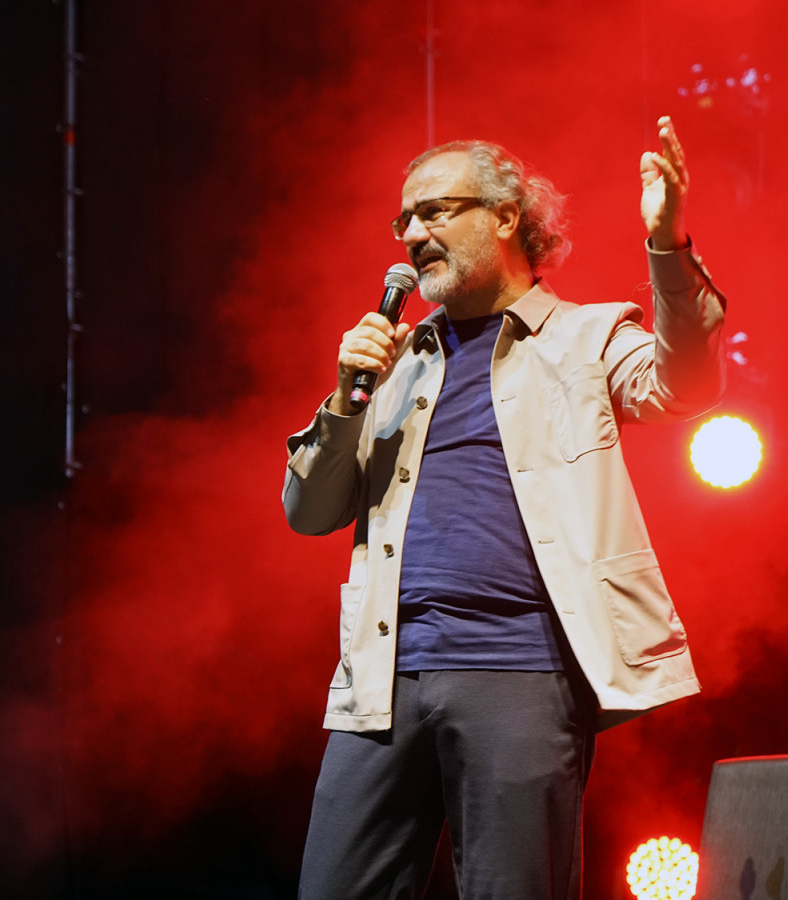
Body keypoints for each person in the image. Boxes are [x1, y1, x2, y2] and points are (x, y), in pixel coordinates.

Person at [283, 116, 727, 900]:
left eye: (434, 212)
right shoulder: (397, 362)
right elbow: (308, 512)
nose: (412, 235)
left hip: (520, 669)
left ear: (506, 216)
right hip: (382, 677)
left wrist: (668, 244)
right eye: (403, 220)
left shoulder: (587, 335)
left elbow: (684, 384)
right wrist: (346, 398)